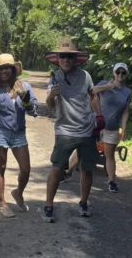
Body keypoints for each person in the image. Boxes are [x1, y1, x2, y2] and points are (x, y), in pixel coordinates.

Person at [42, 38, 105, 223]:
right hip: (64, 130)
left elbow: (92, 95)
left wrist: (99, 116)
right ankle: (48, 206)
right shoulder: (55, 77)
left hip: (86, 129)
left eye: (69, 56)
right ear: (58, 58)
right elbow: (49, 105)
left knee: (87, 169)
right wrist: (51, 97)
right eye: (62, 56)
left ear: (75, 59)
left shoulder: (85, 76)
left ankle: (84, 203)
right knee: (57, 167)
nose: (66, 59)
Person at [0, 54, 37, 218]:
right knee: (1, 167)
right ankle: (2, 204)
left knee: (26, 169)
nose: (4, 71)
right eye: (0, 69)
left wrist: (24, 98)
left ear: (13, 70)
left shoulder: (24, 86)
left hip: (18, 132)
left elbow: (33, 111)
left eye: (7, 68)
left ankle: (18, 192)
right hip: (0, 131)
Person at [64, 63, 132, 192]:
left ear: (126, 75)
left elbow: (126, 112)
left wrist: (123, 129)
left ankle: (112, 181)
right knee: (82, 147)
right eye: (118, 72)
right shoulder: (104, 84)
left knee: (109, 155)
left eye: (123, 73)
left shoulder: (127, 92)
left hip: (112, 127)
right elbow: (91, 92)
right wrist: (107, 86)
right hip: (96, 123)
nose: (120, 75)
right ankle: (67, 171)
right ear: (114, 73)